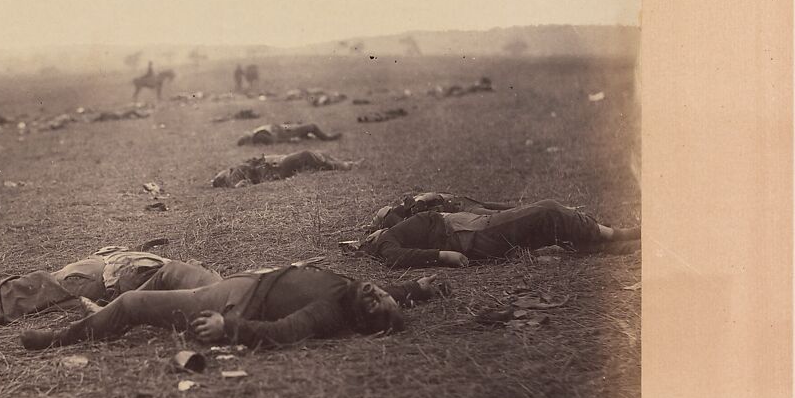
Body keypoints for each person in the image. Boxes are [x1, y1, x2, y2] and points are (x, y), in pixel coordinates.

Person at [19, 264, 448, 350]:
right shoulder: (357, 292)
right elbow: (387, 292)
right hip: (243, 280)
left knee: (132, 303)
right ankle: (102, 313)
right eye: (383, 294)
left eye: (376, 303)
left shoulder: (332, 311)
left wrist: (229, 329)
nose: (376, 293)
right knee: (173, 269)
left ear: (363, 321)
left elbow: (283, 333)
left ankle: (62, 338)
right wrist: (419, 288)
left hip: (233, 301)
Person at [0, 247, 222, 331]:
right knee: (29, 287)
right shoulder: (208, 283)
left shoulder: (196, 286)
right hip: (105, 269)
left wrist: (112, 297)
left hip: (100, 279)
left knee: (26, 288)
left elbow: (143, 294)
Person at [361, 198, 640, 268]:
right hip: (467, 234)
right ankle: (617, 235)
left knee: (542, 223)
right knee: (548, 210)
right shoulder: (385, 241)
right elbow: (395, 257)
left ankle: (602, 246)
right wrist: (443, 255)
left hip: (467, 226)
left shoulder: (396, 227)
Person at [368, 191, 517, 231]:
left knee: (503, 208)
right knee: (497, 215)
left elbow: (430, 195)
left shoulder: (409, 204)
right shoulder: (409, 219)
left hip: (458, 202)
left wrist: (420, 201)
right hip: (463, 211)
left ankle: (525, 207)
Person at [211, 150, 354, 188]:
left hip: (277, 164)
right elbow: (236, 184)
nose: (221, 171)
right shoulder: (236, 172)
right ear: (222, 177)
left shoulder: (236, 170)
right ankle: (343, 166)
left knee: (313, 154)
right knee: (306, 154)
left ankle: (344, 163)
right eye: (219, 175)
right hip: (276, 170)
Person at [236, 123, 341, 146]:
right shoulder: (258, 135)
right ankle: (327, 138)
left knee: (302, 126)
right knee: (312, 126)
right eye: (244, 136)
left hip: (285, 128)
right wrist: (289, 140)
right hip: (286, 132)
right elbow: (273, 140)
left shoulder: (256, 132)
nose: (246, 133)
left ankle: (306, 136)